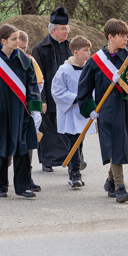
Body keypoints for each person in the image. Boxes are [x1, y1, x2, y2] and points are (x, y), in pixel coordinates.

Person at [76, 18, 128, 203]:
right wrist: (89, 110)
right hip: (105, 113)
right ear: (110, 36)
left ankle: (111, 180)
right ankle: (120, 187)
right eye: (121, 35)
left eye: (126, 35)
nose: (126, 39)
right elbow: (83, 89)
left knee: (119, 147)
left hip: (125, 110)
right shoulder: (96, 61)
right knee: (114, 148)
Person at [0, 24, 42, 199]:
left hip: (21, 112)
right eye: (14, 39)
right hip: (0, 113)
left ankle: (23, 186)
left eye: (19, 38)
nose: (18, 42)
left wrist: (35, 110)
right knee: (0, 149)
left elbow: (32, 86)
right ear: (3, 41)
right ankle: (0, 185)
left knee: (23, 149)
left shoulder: (25, 60)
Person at [31, 7, 72, 172]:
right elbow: (38, 78)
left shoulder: (71, 46)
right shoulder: (40, 49)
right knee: (48, 130)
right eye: (63, 29)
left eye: (68, 29)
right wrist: (42, 100)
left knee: (67, 129)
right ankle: (48, 161)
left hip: (67, 96)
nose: (67, 32)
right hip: (48, 96)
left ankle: (70, 159)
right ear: (53, 29)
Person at [51, 35, 92, 188]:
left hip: (83, 113)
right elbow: (57, 91)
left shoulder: (88, 68)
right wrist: (76, 98)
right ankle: (74, 174)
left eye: (89, 50)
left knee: (79, 142)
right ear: (75, 52)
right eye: (85, 50)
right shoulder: (64, 70)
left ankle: (74, 169)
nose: (89, 53)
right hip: (70, 112)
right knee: (73, 142)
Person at [17, 30, 45, 192]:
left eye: (25, 48)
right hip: (12, 109)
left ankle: (27, 177)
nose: (23, 52)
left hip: (28, 109)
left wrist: (36, 108)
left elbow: (39, 85)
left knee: (28, 145)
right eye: (20, 48)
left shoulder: (30, 61)